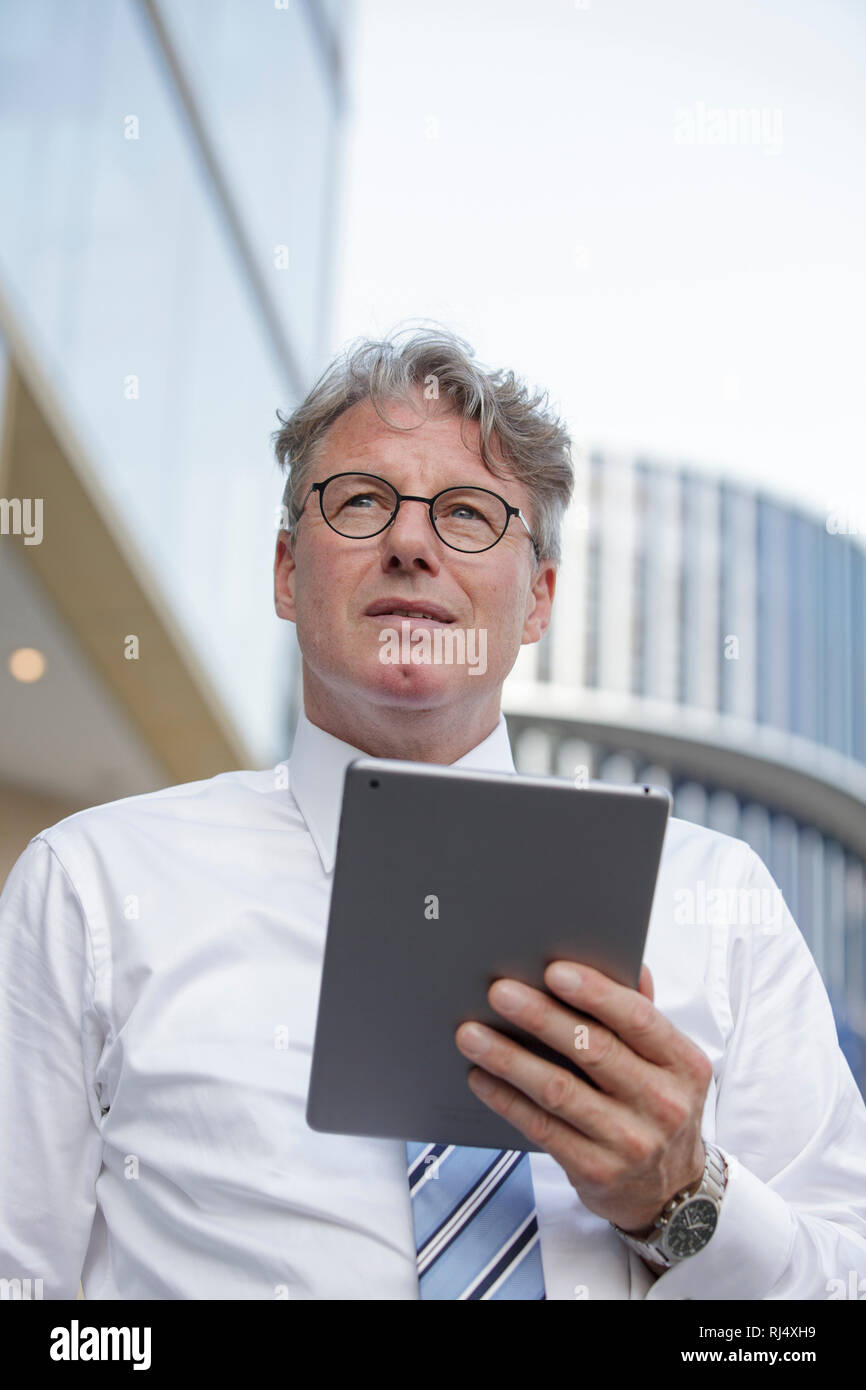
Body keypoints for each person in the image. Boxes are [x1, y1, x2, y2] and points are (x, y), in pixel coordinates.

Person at [1, 326, 865, 1301]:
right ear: (287, 572)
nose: (410, 543)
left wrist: (679, 1196)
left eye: (465, 513)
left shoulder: (715, 896)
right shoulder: (91, 887)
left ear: (536, 599)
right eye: (363, 501)